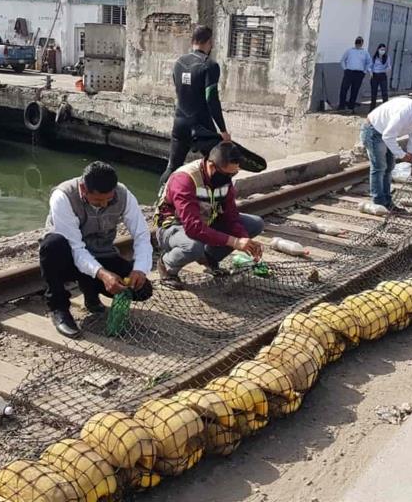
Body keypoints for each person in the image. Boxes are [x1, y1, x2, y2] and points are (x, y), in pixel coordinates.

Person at [39, 162, 154, 338]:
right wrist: (104, 275)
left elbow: (142, 235)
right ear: (84, 189)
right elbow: (76, 248)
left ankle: (90, 290)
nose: (105, 204)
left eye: (109, 199)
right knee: (52, 245)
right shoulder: (63, 197)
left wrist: (140, 269)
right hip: (68, 257)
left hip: (102, 254)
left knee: (142, 289)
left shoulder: (123, 194)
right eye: (99, 200)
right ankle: (59, 309)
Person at [154, 142, 264, 290]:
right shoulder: (185, 179)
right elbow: (193, 228)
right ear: (212, 166)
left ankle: (209, 258)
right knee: (193, 246)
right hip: (173, 228)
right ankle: (167, 265)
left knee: (255, 223)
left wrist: (244, 239)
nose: (230, 178)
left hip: (205, 222)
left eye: (234, 173)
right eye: (228, 174)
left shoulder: (224, 181)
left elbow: (231, 216)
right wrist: (234, 242)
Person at [161, 25, 230, 187]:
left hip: (180, 123)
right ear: (209, 42)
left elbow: (180, 90)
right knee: (218, 166)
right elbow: (211, 99)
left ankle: (162, 199)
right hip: (201, 126)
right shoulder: (210, 65)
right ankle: (220, 205)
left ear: (192, 41)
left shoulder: (179, 62)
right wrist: (223, 130)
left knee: (173, 167)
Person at [360, 98, 412, 212]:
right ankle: (379, 202)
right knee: (379, 167)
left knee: (389, 167)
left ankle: (387, 202)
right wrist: (402, 155)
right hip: (374, 131)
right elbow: (387, 136)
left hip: (388, 134)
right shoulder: (405, 113)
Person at [339, 36, 372, 113]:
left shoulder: (365, 53)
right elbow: (343, 60)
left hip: (359, 73)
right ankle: (341, 105)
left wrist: (364, 71)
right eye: (357, 43)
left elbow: (369, 62)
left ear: (362, 44)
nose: (358, 45)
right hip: (349, 72)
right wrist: (345, 69)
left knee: (355, 90)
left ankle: (351, 106)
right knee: (344, 89)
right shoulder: (349, 51)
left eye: (359, 43)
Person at [369, 43, 391, 109]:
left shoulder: (387, 57)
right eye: (381, 49)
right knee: (374, 93)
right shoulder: (374, 57)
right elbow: (370, 67)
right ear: (378, 50)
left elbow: (389, 66)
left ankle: (385, 108)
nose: (382, 51)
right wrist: (370, 72)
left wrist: (387, 69)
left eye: (384, 50)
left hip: (382, 75)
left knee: (384, 93)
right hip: (375, 76)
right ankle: (372, 108)